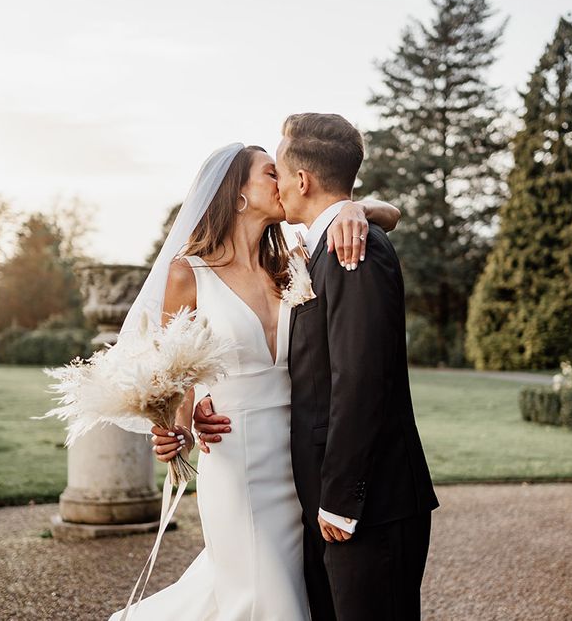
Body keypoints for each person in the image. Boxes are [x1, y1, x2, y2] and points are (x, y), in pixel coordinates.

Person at [109, 140, 400, 621]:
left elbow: (389, 214)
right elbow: (174, 374)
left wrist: (353, 206)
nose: (284, 180)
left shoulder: (291, 260)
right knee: (266, 594)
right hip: (236, 458)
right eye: (271, 172)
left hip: (300, 458)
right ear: (237, 194)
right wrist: (177, 426)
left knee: (286, 587)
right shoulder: (189, 274)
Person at [193, 114, 440, 620]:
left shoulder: (354, 249)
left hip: (363, 500)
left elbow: (361, 382)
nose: (278, 184)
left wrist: (343, 499)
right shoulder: (306, 254)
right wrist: (194, 406)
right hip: (292, 484)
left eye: (277, 172)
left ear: (301, 181)